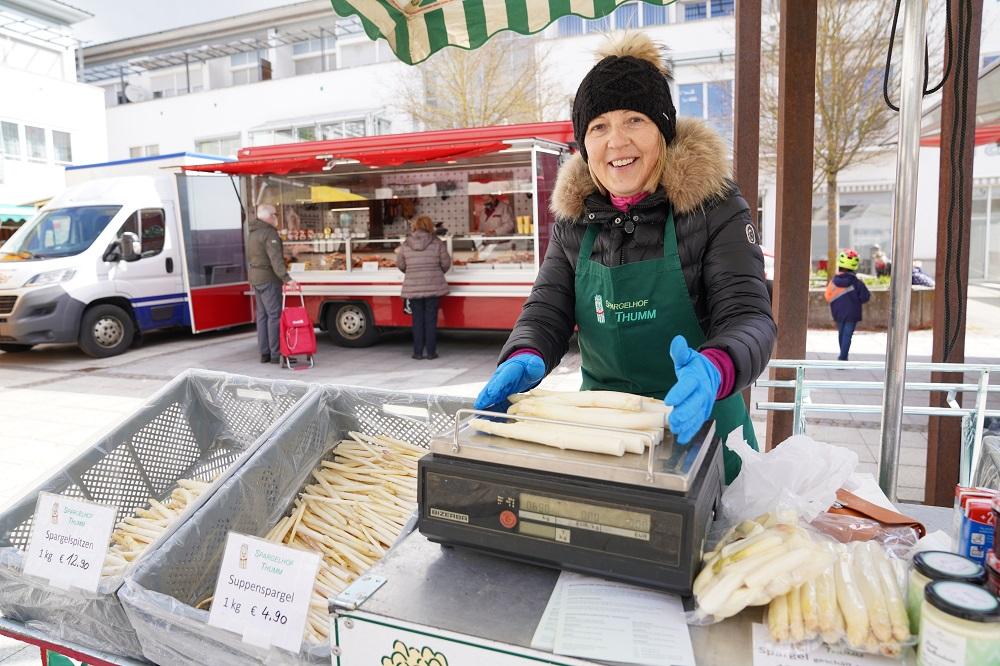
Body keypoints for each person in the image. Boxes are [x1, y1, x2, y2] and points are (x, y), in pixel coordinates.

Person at [472, 33, 775, 484]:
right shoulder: (574, 221)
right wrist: (526, 353)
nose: (617, 141)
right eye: (599, 126)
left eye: (635, 119)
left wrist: (717, 367)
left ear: (664, 131)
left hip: (705, 428)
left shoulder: (714, 208)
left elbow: (749, 316)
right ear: (584, 144)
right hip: (607, 435)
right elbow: (546, 310)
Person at [397, 215, 451, 360]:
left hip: (413, 287)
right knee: (430, 320)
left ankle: (418, 352)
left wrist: (412, 273)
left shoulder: (406, 244)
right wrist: (437, 272)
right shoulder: (437, 242)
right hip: (433, 287)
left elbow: (401, 265)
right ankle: (431, 353)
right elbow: (446, 263)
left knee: (417, 320)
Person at [248, 204, 295, 363]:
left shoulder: (253, 233)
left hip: (256, 278)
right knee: (274, 316)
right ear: (268, 217)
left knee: (262, 316)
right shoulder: (270, 233)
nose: (277, 217)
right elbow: (276, 260)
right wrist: (287, 279)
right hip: (269, 279)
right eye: (275, 214)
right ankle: (276, 354)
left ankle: (265, 353)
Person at [825, 249, 870, 362]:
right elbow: (865, 297)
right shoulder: (857, 283)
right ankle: (843, 356)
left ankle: (842, 354)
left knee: (841, 333)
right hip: (852, 313)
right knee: (847, 335)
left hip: (838, 313)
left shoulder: (834, 282)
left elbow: (827, 296)